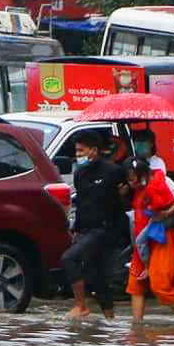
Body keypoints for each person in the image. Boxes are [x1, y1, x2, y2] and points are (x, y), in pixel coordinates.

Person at [64, 133, 128, 321]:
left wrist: (123, 196)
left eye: (81, 150)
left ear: (94, 150)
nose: (78, 154)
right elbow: (82, 203)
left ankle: (81, 306)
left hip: (105, 230)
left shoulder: (113, 171)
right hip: (86, 230)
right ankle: (110, 320)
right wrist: (76, 229)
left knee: (68, 259)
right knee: (97, 279)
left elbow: (126, 198)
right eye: (76, 150)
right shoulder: (80, 174)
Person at [125, 158, 174, 326]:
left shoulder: (163, 181)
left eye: (133, 177)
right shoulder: (134, 189)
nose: (131, 181)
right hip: (142, 241)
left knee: (160, 285)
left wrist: (165, 214)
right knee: (136, 285)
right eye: (129, 178)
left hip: (161, 237)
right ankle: (137, 328)